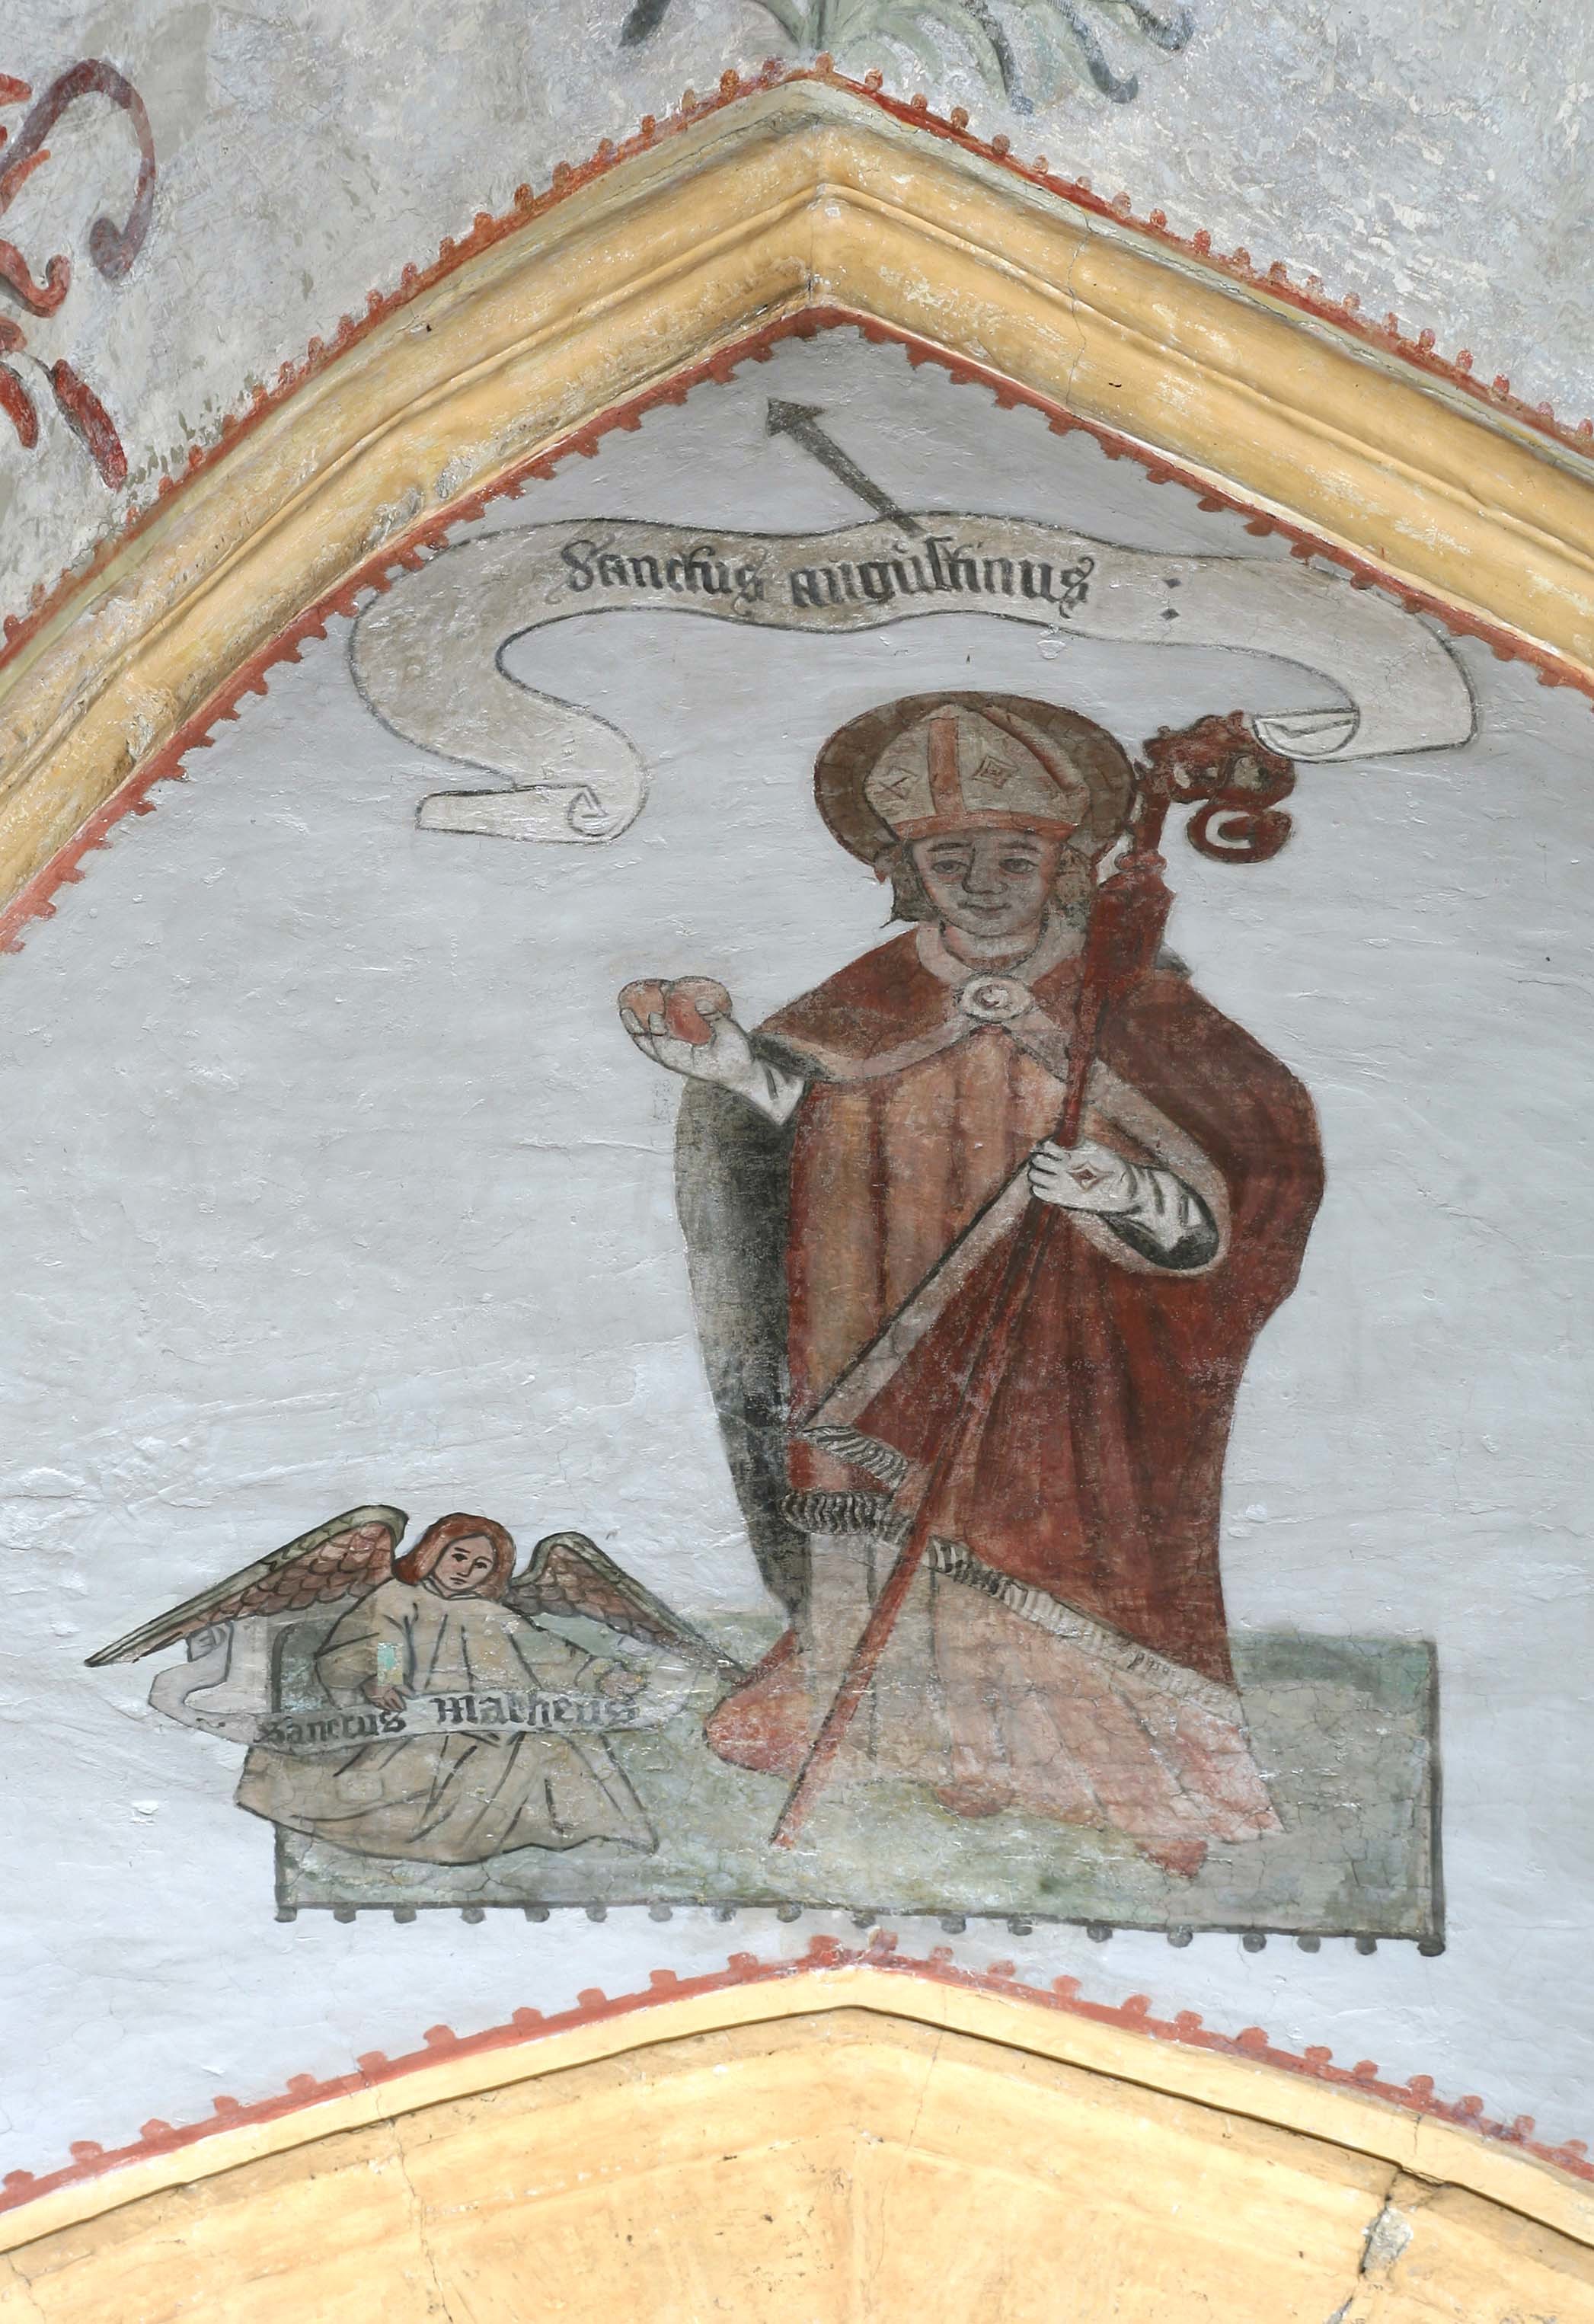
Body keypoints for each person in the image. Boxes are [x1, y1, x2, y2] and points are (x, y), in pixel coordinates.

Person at [621, 693, 1324, 1879]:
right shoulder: (866, 1001)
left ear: (1064, 863)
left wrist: (1128, 1193)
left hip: (1074, 1339)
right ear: (907, 870)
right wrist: (734, 1068)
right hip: (879, 1323)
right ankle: (918, 1750)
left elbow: (1257, 1167)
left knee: (1068, 1526)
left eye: (1013, 857)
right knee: (896, 1528)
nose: (984, 884)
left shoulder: (1135, 1000)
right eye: (953, 860)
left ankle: (1112, 1774)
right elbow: (819, 1132)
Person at [236, 1512, 654, 1862]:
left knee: (549, 1748)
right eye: (459, 1556)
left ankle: (590, 1836)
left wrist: (603, 1675)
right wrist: (384, 1681)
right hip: (418, 1725)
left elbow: (550, 1653)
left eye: (481, 1565)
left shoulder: (490, 1613)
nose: (465, 1571)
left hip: (490, 1727)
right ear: (434, 1552)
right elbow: (384, 1643)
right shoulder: (398, 1598)